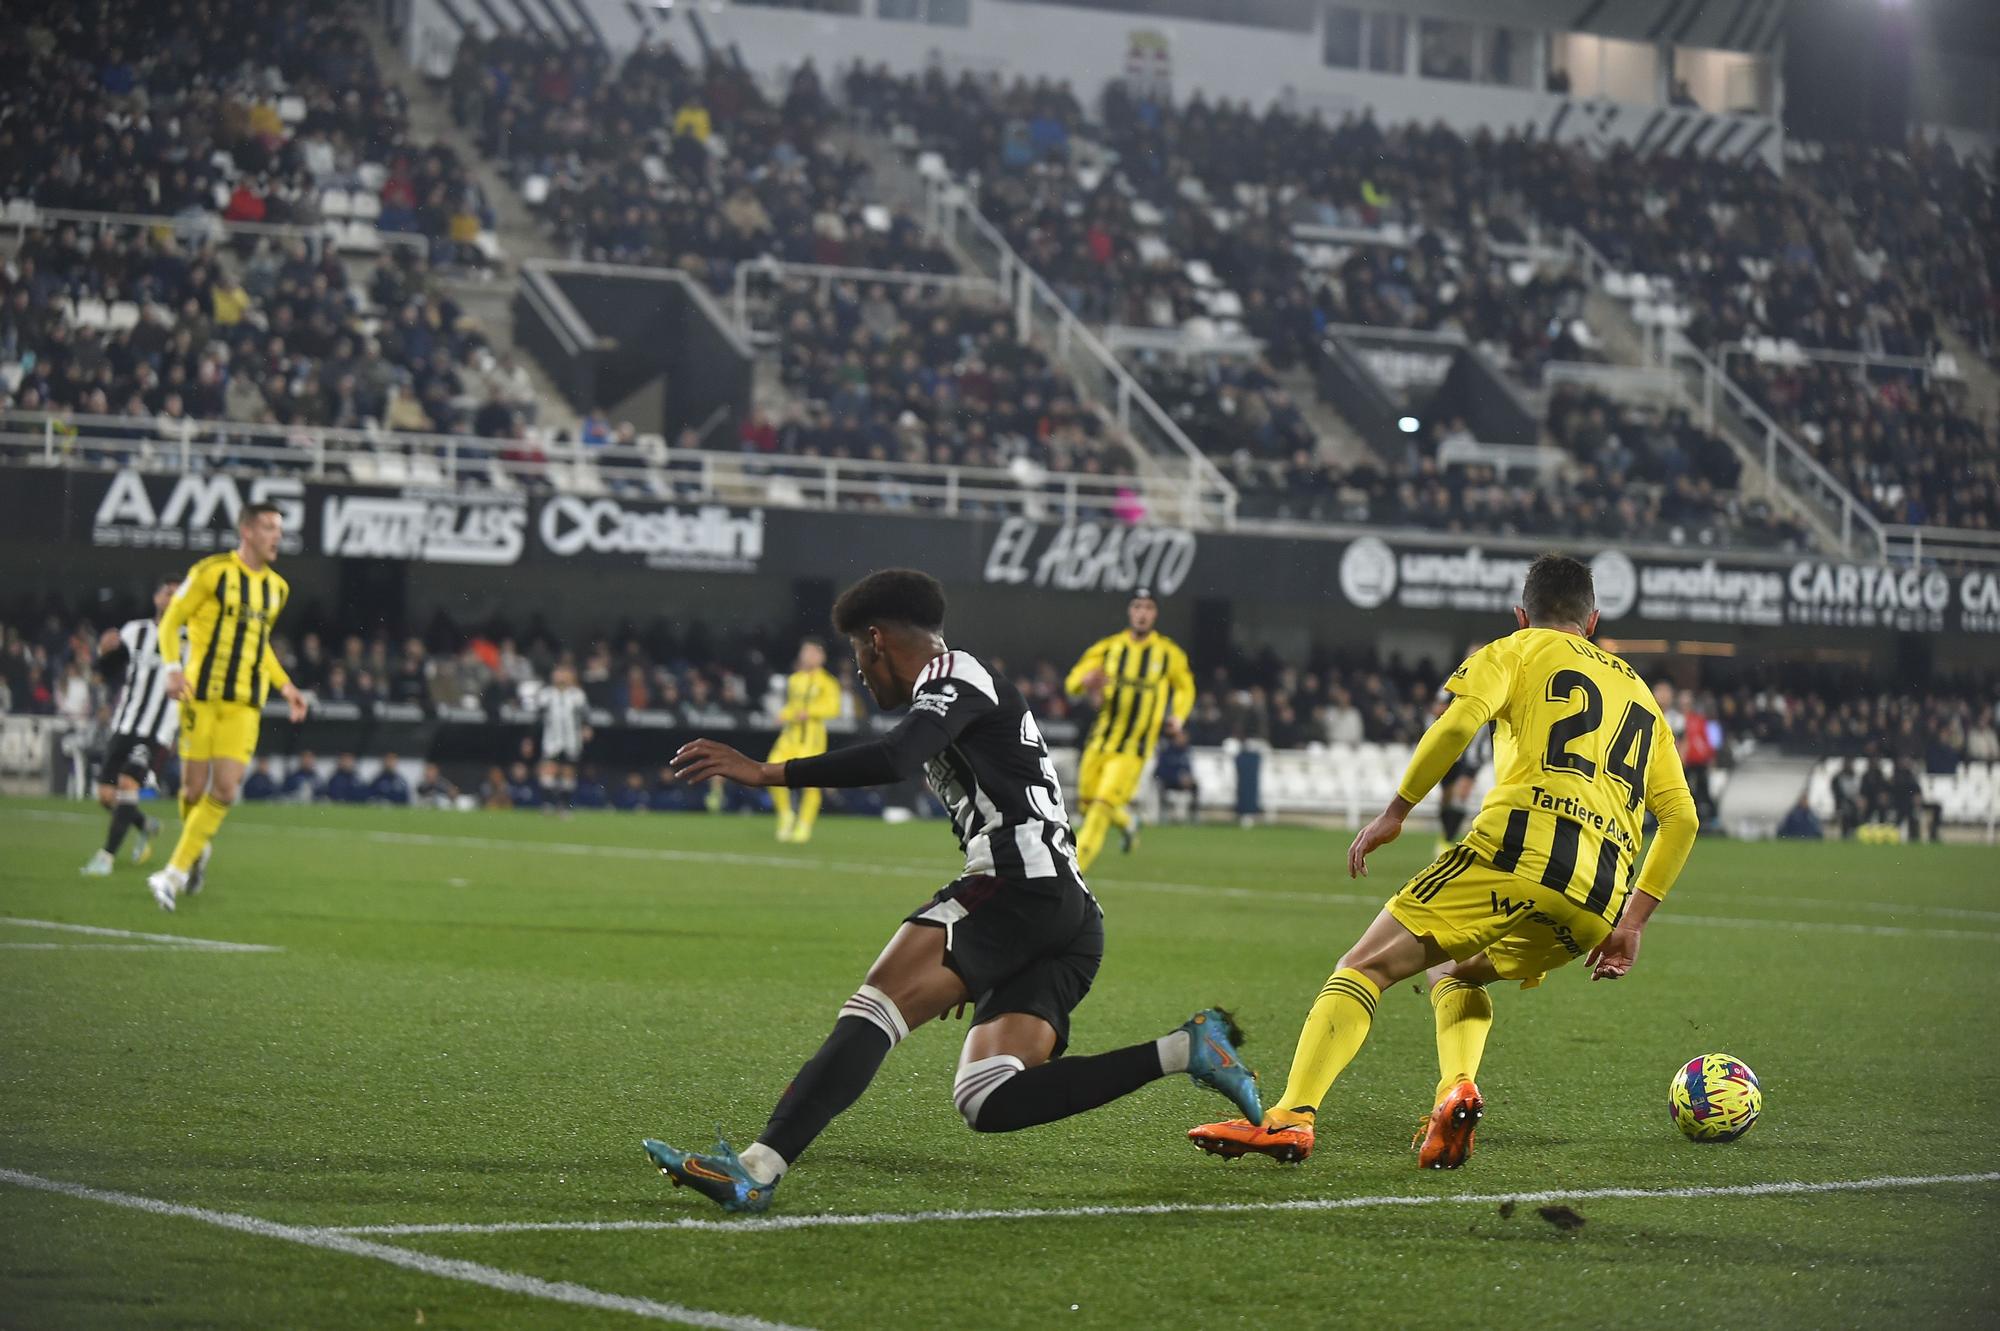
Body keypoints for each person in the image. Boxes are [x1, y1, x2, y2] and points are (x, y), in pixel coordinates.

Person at [644, 569, 1262, 1214]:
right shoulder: (960, 687)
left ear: (877, 640)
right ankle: (1184, 1050)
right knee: (986, 1097)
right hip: (1067, 916)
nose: (859, 672)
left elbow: (894, 758)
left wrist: (764, 771)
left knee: (875, 1008)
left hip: (1018, 885)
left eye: (857, 653)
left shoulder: (953, 674)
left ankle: (756, 1169)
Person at [1191, 554, 1698, 1170]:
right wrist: (1633, 923)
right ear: (1592, 621)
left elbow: (1457, 726)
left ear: (1521, 615)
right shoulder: (1641, 695)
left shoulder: (1513, 650)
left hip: (1515, 853)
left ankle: (1290, 1118)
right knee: (1457, 972)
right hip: (1598, 900)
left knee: (1362, 968)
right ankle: (1456, 1089)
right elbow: (1682, 819)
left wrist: (1396, 812)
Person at [146, 503, 311, 910]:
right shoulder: (211, 572)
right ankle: (197, 849)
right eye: (269, 527)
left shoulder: (277, 589)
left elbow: (259, 644)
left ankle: (173, 873)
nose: (277, 536)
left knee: (225, 789)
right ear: (247, 531)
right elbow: (172, 620)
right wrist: (172, 669)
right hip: (199, 697)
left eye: (279, 529)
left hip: (244, 704)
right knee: (192, 789)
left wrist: (285, 686)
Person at [1063, 589, 1195, 872]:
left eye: (1148, 607)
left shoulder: (1167, 653)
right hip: (1099, 742)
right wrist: (1085, 682)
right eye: (1137, 606)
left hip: (1133, 749)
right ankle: (1127, 822)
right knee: (1087, 805)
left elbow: (1185, 687)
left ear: (1155, 614)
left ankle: (1072, 872)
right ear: (1129, 611)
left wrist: (1178, 717)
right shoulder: (1109, 648)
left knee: (1100, 808)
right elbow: (1072, 682)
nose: (1142, 613)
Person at [80, 579, 180, 877]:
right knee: (105, 796)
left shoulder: (192, 638)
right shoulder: (135, 631)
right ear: (156, 597)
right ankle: (144, 825)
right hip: (125, 724)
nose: (172, 598)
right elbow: (102, 674)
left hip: (157, 732)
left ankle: (106, 857)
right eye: (168, 592)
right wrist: (103, 651)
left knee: (127, 784)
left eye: (178, 594)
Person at [767, 638, 844, 843]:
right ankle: (785, 815)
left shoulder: (828, 682)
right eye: (805, 651)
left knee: (810, 782)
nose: (808, 656)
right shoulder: (795, 680)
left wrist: (809, 712)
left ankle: (804, 824)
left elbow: (833, 708)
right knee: (772, 770)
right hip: (790, 735)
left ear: (822, 657)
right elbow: (792, 705)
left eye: (812, 652)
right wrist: (784, 714)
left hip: (812, 738)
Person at [1431, 640, 1490, 852]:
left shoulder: (1493, 681)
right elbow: (1437, 709)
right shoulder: (1455, 679)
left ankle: (1448, 840)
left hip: (1476, 749)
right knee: (1446, 796)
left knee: (1462, 792)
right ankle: (1445, 834)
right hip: (1453, 746)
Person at [535, 663, 590, 815]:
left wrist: (586, 727)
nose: (561, 677)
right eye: (558, 673)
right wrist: (530, 737)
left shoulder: (577, 695)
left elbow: (585, 714)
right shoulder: (546, 694)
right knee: (549, 769)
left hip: (572, 740)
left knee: (568, 771)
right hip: (551, 739)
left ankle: (564, 805)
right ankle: (547, 803)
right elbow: (538, 717)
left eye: (564, 674)